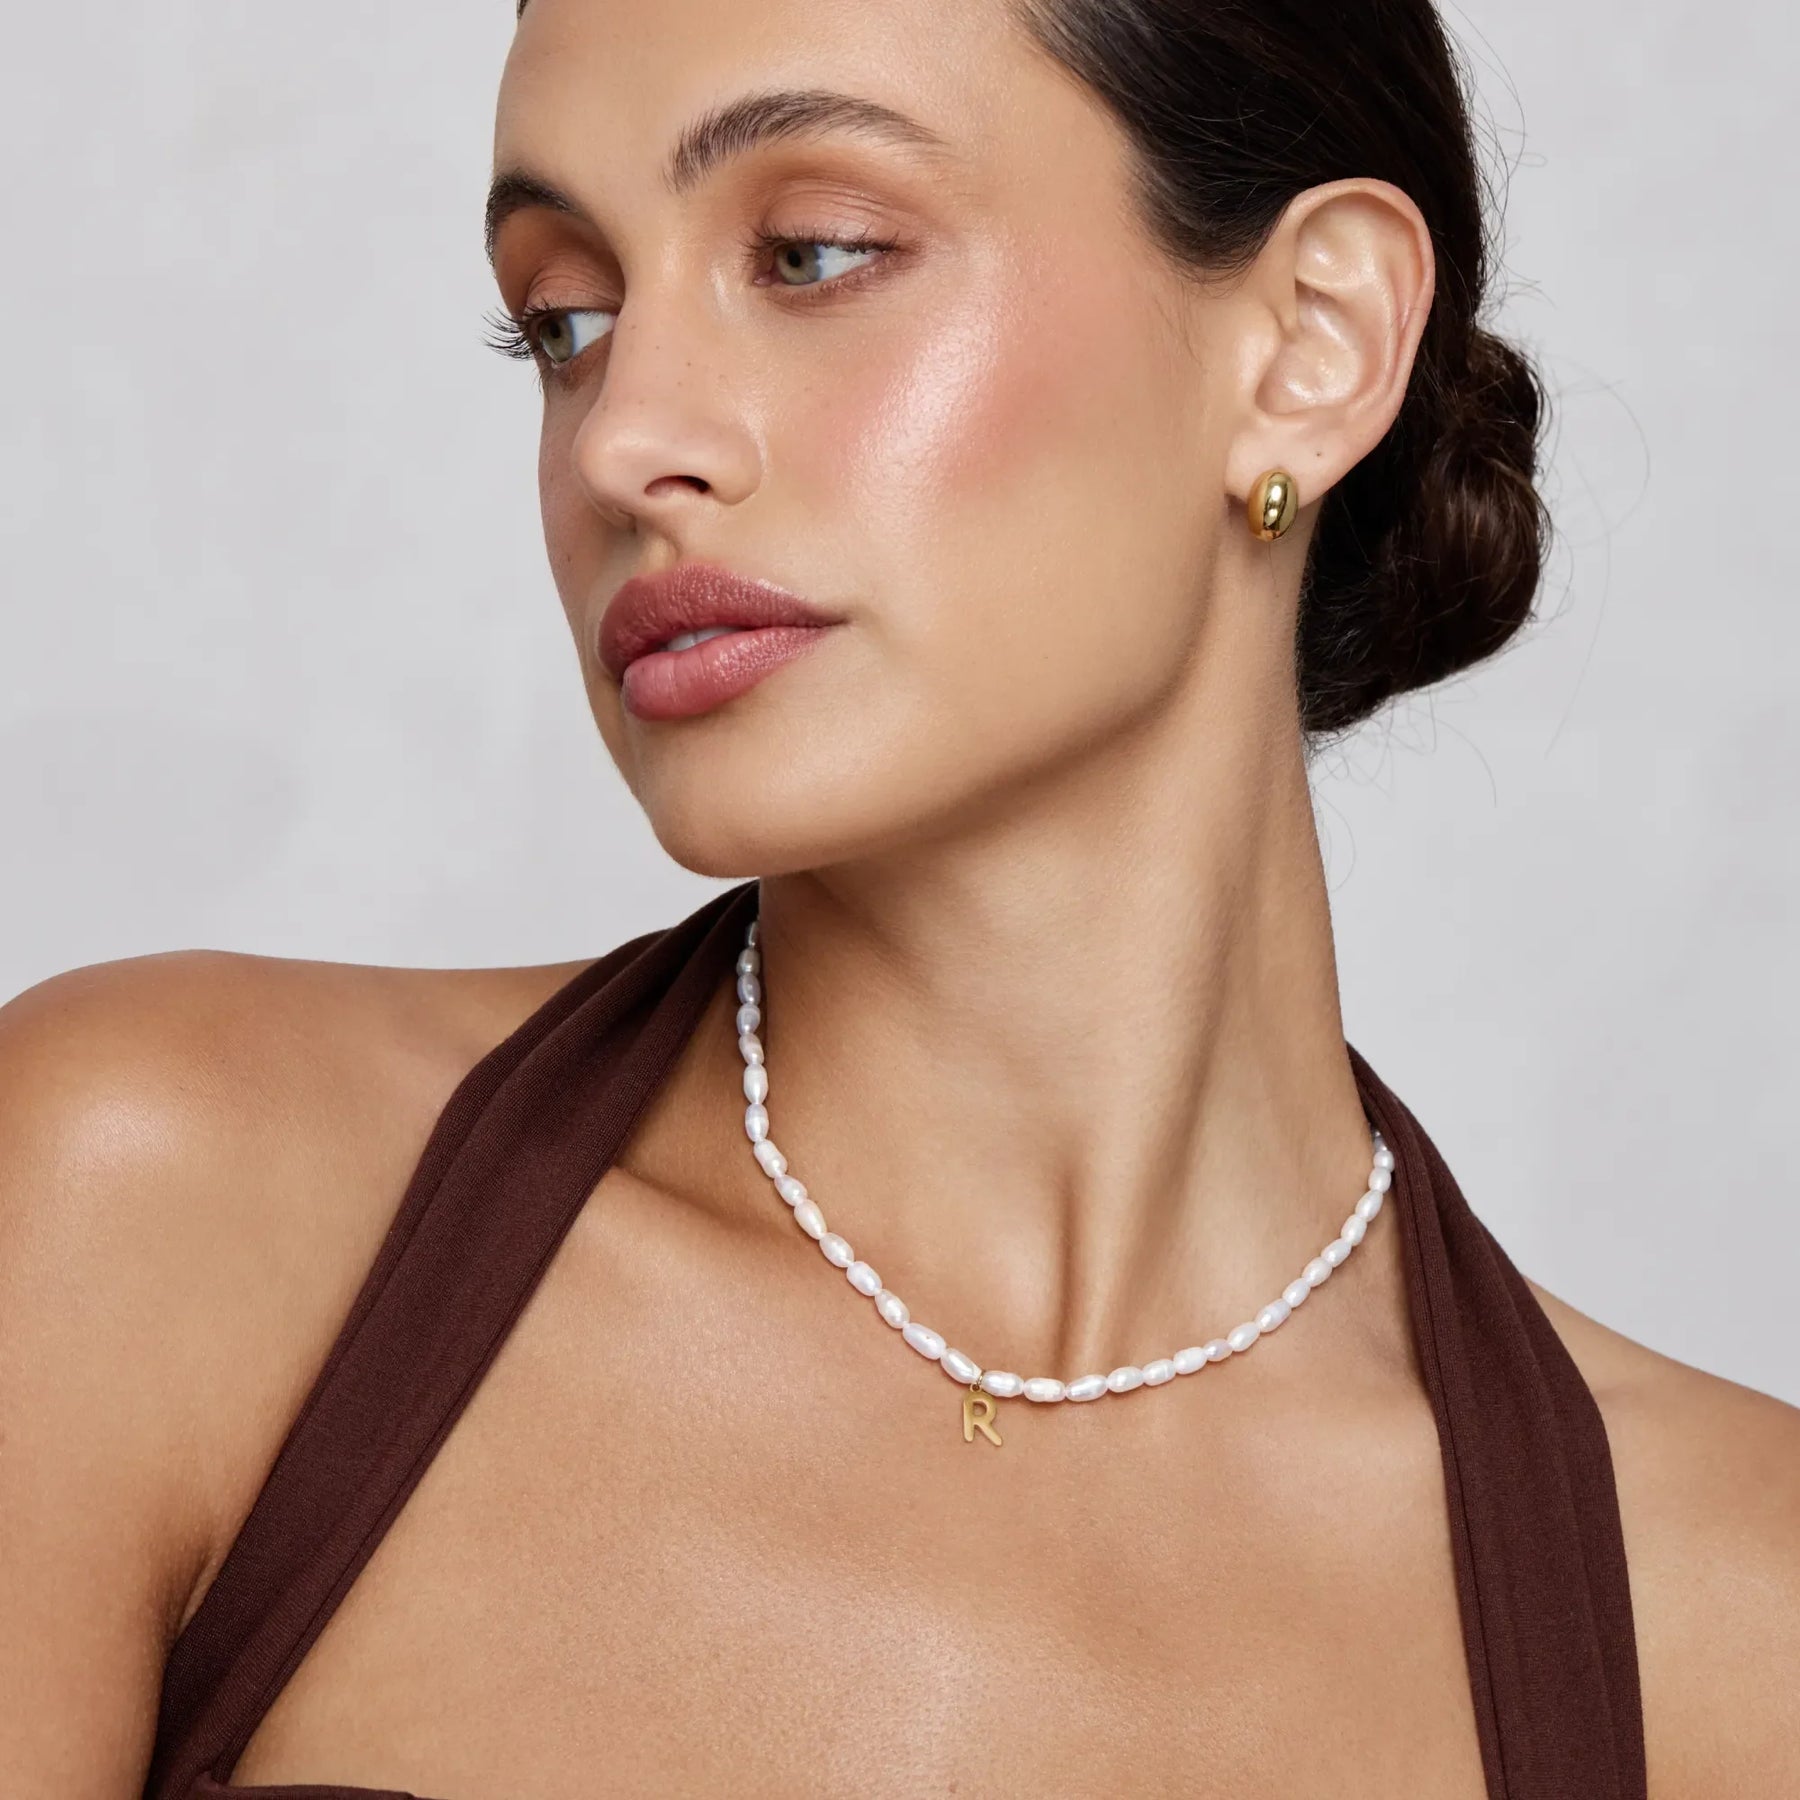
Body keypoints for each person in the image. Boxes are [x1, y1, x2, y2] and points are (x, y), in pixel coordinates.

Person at [2, 0, 1796, 1792]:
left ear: (1307, 345)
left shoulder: (1739, 1628)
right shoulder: (158, 1217)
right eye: (568, 318)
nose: (625, 437)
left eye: (812, 254)